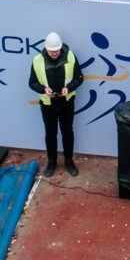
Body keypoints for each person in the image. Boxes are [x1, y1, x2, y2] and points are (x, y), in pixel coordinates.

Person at [30, 31, 84, 176]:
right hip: (48, 104)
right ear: (46, 49)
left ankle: (68, 161)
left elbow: (79, 78)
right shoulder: (37, 61)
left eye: (57, 51)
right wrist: (43, 90)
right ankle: (51, 162)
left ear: (61, 48)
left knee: (67, 132)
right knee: (50, 134)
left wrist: (69, 88)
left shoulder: (71, 57)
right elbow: (32, 83)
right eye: (51, 51)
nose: (54, 54)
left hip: (66, 102)